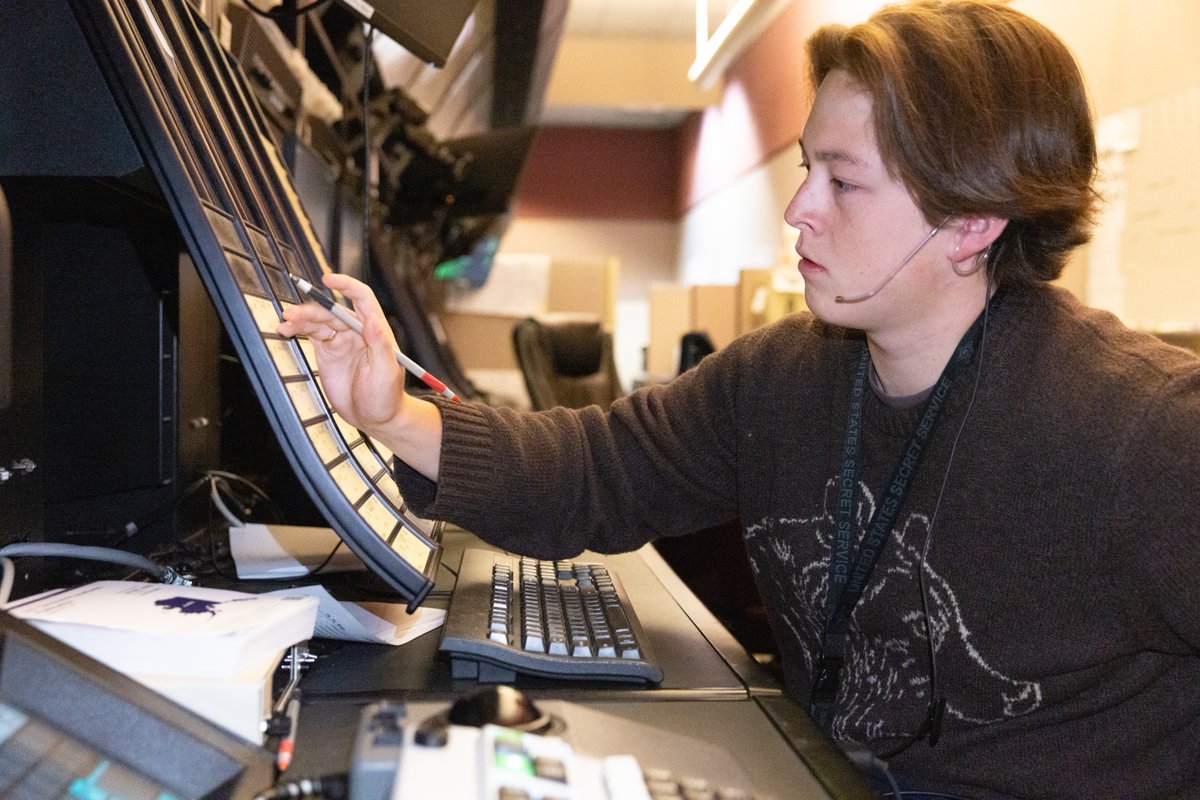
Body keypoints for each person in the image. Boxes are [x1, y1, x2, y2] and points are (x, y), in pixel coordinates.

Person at [278, 1, 1200, 796]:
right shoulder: (786, 376)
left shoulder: (1147, 434)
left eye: (843, 181)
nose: (800, 209)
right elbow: (597, 469)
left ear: (971, 222)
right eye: (807, 169)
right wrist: (394, 413)